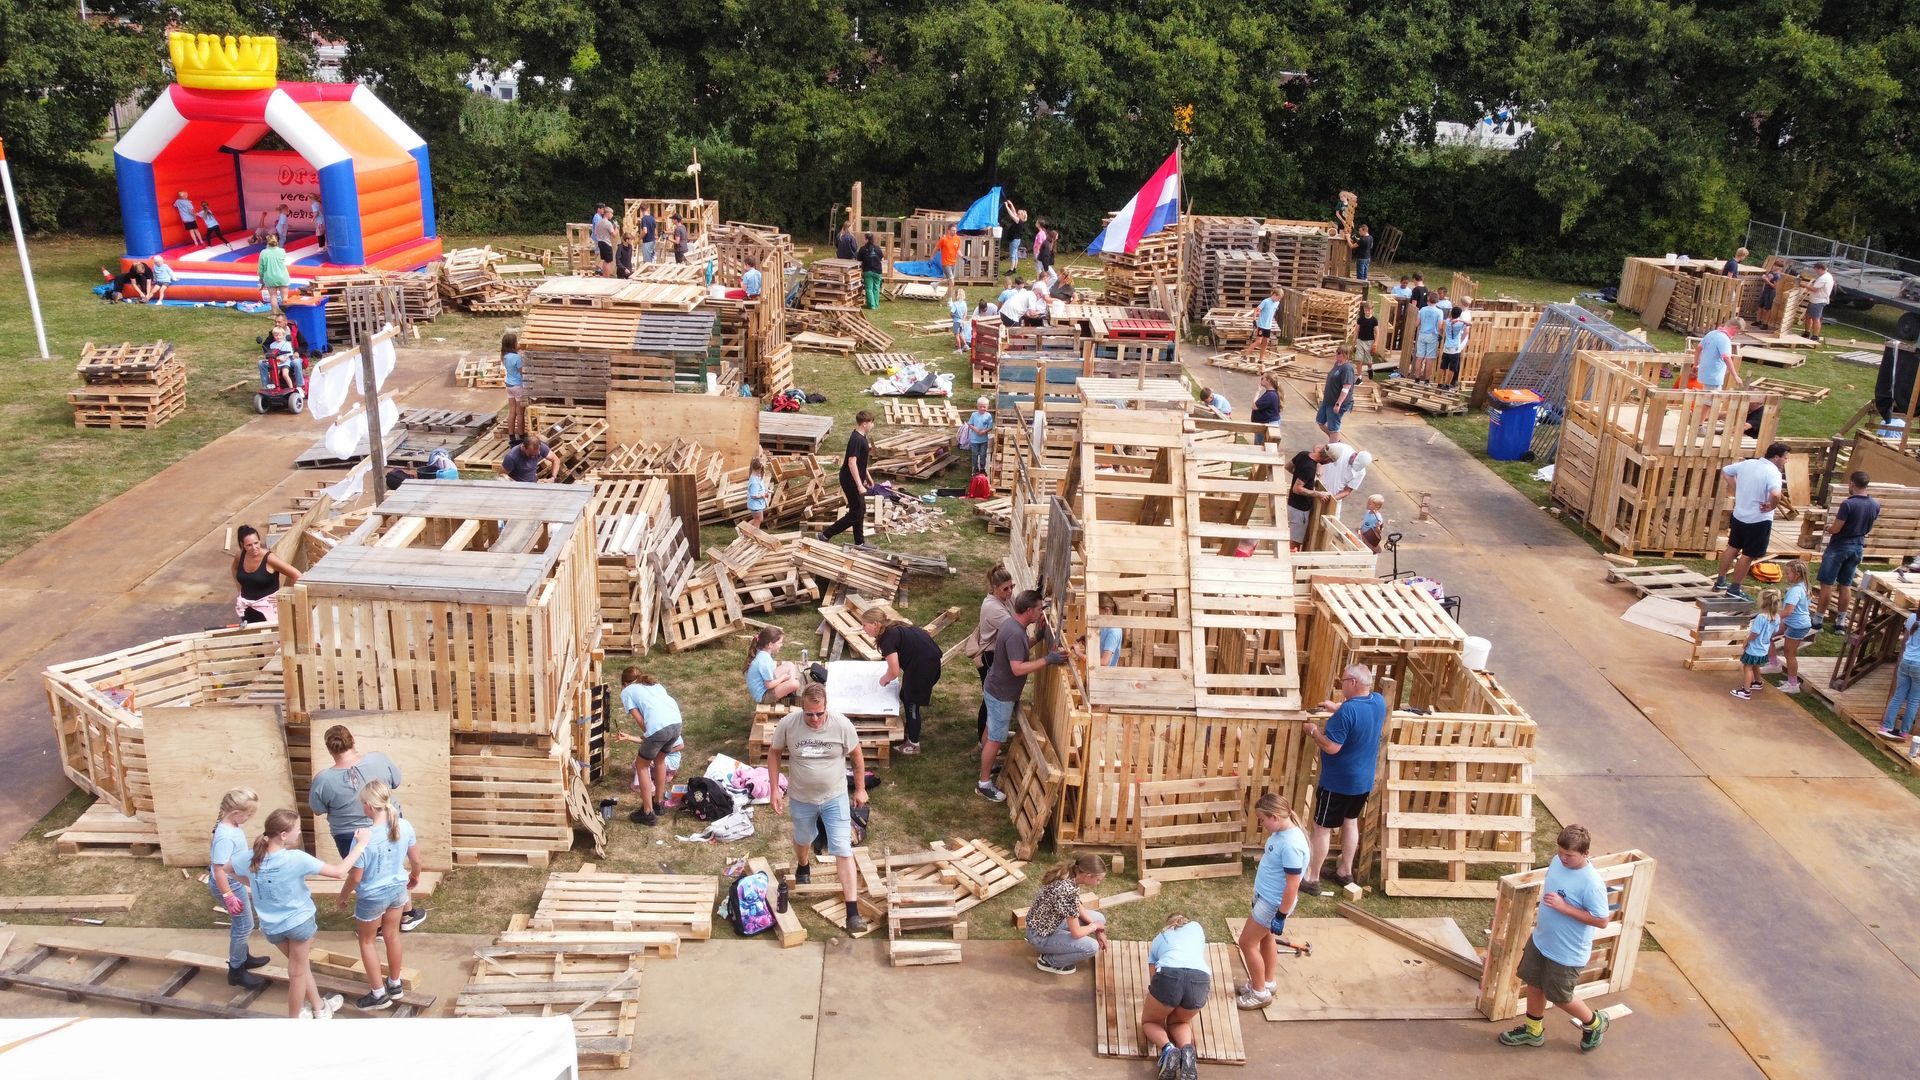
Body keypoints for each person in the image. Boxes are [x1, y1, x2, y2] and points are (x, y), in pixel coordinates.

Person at [228, 807, 369, 1018]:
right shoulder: (296, 858)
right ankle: (294, 1020)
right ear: (283, 835)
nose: (299, 833)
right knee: (296, 974)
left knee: (300, 968)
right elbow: (339, 872)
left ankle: (320, 1008)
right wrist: (361, 845)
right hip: (299, 924)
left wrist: (254, 885)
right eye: (298, 829)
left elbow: (225, 869)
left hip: (272, 928)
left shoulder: (250, 857)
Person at [1498, 825, 1614, 1052]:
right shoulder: (1557, 861)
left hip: (1566, 953)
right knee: (1533, 983)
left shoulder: (1591, 883)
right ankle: (1533, 1031)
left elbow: (1602, 921)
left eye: (1569, 855)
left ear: (1585, 854)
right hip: (1542, 940)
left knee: (1560, 997)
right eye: (1560, 852)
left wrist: (1564, 908)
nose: (1563, 858)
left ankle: (1595, 1023)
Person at [308, 724, 430, 934]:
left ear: (329, 749)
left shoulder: (323, 779)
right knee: (392, 867)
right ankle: (406, 914)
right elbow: (396, 781)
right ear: (352, 740)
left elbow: (317, 809)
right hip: (388, 825)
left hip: (350, 836)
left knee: (363, 876)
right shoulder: (379, 760)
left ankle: (380, 925)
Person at [769, 683, 869, 932]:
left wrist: (860, 788)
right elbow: (774, 754)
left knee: (842, 848)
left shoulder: (841, 725)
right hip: (802, 797)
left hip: (834, 797)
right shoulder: (789, 725)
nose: (814, 719)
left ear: (826, 708)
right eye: (809, 714)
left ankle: (852, 912)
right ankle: (803, 864)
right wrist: (773, 789)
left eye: (819, 713)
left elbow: (857, 755)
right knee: (803, 838)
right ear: (802, 708)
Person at [1301, 664, 1386, 896]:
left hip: (1338, 782)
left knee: (1322, 829)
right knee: (1350, 823)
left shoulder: (1347, 713)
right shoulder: (1378, 701)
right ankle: (1344, 871)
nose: (1341, 685)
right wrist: (1336, 707)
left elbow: (1332, 746)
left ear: (1353, 683)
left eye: (1344, 680)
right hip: (1362, 781)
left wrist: (1312, 731)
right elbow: (1359, 713)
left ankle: (1312, 878)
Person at [979, 589, 1067, 803]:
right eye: (1039, 609)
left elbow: (1018, 649)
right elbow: (1017, 668)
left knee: (991, 730)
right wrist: (1049, 659)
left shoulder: (1012, 625)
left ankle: (985, 765)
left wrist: (1037, 637)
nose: (1040, 613)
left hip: (995, 688)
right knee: (996, 738)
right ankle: (983, 784)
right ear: (1028, 610)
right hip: (1001, 694)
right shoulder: (1015, 632)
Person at [340, 780, 420, 1011]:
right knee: (392, 936)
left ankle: (378, 994)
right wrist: (414, 876)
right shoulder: (404, 825)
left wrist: (343, 896)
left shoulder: (363, 838)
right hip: (398, 891)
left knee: (366, 941)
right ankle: (395, 984)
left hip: (372, 897)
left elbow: (355, 877)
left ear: (368, 806)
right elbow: (416, 860)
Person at [1235, 792, 1307, 1011]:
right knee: (1266, 940)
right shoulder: (1281, 833)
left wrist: (1281, 915)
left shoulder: (1292, 845)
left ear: (1275, 817)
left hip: (1272, 904)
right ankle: (1267, 982)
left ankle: (1259, 994)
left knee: (1246, 943)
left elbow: (1292, 885)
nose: (1262, 824)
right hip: (1266, 898)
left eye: (1263, 820)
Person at [209, 788, 271, 989]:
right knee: (244, 925)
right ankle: (236, 970)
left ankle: (243, 957)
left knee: (246, 923)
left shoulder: (231, 826)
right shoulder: (226, 836)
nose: (250, 818)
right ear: (236, 813)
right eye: (249, 814)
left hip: (234, 882)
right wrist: (228, 895)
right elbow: (219, 869)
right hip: (228, 885)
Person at [1713, 442, 1789, 601]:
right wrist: (1771, 507)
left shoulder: (1747, 464)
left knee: (1732, 547)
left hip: (1740, 515)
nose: (1786, 461)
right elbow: (1775, 494)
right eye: (1785, 458)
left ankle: (1720, 582)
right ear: (1776, 457)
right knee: (1748, 555)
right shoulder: (1773, 472)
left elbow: (1726, 471)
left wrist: (1737, 488)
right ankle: (1734, 589)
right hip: (1758, 520)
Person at [862, 609, 942, 756]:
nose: (863, 629)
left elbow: (894, 672)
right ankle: (910, 729)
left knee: (911, 703)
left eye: (865, 625)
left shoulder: (887, 639)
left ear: (875, 624)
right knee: (905, 695)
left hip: (924, 667)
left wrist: (882, 681)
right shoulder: (894, 627)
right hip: (928, 659)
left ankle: (913, 744)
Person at [1144, 913, 1211, 1078]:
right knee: (1179, 1021)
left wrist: (1157, 998)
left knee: (1150, 1021)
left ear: (1168, 925)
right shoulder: (1197, 928)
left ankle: (1168, 1049)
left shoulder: (1159, 938)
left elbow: (1154, 979)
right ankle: (1187, 1051)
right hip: (1200, 979)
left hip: (1169, 975)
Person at [614, 668, 683, 824]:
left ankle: (647, 812)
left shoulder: (627, 691)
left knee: (642, 766)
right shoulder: (654, 684)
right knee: (660, 760)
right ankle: (658, 803)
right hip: (676, 724)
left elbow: (640, 720)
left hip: (659, 728)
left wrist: (649, 736)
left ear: (624, 683)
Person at [1815, 470, 1878, 633]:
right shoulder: (1875, 504)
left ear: (1852, 483)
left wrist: (1828, 528)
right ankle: (1840, 623)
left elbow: (1836, 528)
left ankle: (1818, 620)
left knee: (1827, 583)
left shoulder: (1848, 504)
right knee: (1846, 584)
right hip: (1857, 547)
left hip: (1839, 547)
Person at [1025, 853, 1108, 975]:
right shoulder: (1067, 890)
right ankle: (1049, 961)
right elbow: (1076, 933)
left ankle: (1057, 947)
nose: (1099, 883)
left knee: (1099, 918)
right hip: (1040, 937)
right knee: (1091, 947)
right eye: (1098, 880)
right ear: (1088, 876)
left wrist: (1098, 929)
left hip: (1050, 924)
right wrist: (1094, 927)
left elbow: (1076, 904)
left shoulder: (1070, 875)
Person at [966, 566, 1016, 745]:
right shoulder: (992, 608)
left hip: (999, 655)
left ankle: (997, 730)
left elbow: (1017, 610)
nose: (1010, 591)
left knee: (1003, 698)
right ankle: (983, 739)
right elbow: (1015, 628)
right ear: (994, 588)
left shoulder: (1004, 599)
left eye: (1012, 587)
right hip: (991, 658)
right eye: (1006, 588)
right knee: (990, 701)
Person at [819, 410, 876, 547]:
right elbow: (851, 462)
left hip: (855, 480)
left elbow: (860, 462)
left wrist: (867, 476)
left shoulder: (862, 437)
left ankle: (859, 542)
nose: (873, 425)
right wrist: (859, 485)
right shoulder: (856, 439)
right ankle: (825, 535)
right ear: (864, 424)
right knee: (855, 513)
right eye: (871, 423)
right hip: (850, 481)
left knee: (860, 510)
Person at [232, 524, 300, 624]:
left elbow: (297, 575)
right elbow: (234, 569)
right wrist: (240, 591)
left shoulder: (270, 559)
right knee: (253, 637)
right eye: (249, 545)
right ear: (242, 545)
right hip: (247, 610)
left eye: (256, 543)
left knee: (274, 638)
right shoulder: (240, 556)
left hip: (269, 610)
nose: (254, 547)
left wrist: (284, 594)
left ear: (260, 541)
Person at [1879, 611, 1920, 757]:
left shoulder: (1912, 618)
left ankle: (1886, 727)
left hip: (1906, 661)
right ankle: (1904, 732)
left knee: (1898, 695)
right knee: (1914, 700)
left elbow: (1905, 640)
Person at [1730, 587, 1782, 700]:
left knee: (1747, 667)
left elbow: (1755, 633)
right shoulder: (1777, 617)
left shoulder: (1761, 617)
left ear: (1763, 602)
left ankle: (1746, 691)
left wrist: (1746, 640)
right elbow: (1775, 631)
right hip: (1764, 648)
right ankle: (1758, 682)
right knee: (1756, 665)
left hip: (1754, 647)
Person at [1772, 560, 1813, 694]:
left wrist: (1772, 617)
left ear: (1797, 574)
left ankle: (1793, 684)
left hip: (1797, 625)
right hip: (1794, 622)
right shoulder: (1804, 586)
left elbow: (1788, 611)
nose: (1786, 576)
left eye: (1788, 573)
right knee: (1770, 636)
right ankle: (1773, 664)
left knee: (1789, 654)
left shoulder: (1795, 591)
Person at [745, 626, 805, 706]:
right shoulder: (764, 661)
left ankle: (787, 691)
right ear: (770, 644)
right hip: (763, 696)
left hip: (765, 685)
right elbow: (769, 685)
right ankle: (787, 691)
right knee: (795, 683)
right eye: (780, 643)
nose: (781, 645)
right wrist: (782, 678)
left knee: (790, 665)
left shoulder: (762, 653)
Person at [1288, 444, 1333, 549]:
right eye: (1330, 461)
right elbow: (1297, 488)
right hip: (1300, 510)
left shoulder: (1303, 454)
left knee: (1292, 537)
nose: (1328, 463)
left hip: (1291, 503)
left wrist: (1302, 477)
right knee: (1295, 543)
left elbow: (1288, 466)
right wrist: (1318, 493)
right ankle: (1288, 563)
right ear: (1326, 457)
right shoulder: (1310, 468)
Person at [1691, 316, 1744, 391]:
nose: (1736, 334)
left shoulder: (1711, 333)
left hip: (1704, 373)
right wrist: (1735, 376)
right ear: (1734, 327)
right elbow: (1726, 358)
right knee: (1712, 400)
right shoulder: (1724, 339)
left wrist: (1695, 364)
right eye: (1737, 332)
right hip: (1714, 376)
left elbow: (1699, 348)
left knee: (1705, 396)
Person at [1323, 446, 1372, 520]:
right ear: (1355, 454)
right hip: (1320, 486)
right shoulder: (1343, 449)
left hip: (1334, 498)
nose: (1352, 465)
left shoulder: (1361, 472)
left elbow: (1347, 491)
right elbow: (1320, 451)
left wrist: (1331, 498)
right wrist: (1318, 472)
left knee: (1333, 521)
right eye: (1353, 462)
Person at [1319, 347, 1358, 438]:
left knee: (1333, 428)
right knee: (1320, 422)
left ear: (1346, 355)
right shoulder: (1337, 364)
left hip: (1336, 403)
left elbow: (1346, 388)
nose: (1336, 354)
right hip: (1328, 400)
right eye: (1336, 352)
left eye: (1339, 353)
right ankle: (1336, 442)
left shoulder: (1347, 368)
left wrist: (1338, 404)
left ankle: (1334, 445)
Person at [501, 328, 527, 438]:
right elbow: (522, 373)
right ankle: (521, 436)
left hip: (508, 385)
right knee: (520, 412)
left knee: (512, 412)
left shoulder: (504, 355)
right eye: (516, 342)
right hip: (517, 386)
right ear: (513, 344)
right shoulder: (517, 358)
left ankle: (511, 436)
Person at [1412, 297, 1444, 383]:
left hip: (1422, 334)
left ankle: (1417, 378)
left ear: (1428, 301)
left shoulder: (1422, 310)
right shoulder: (1439, 312)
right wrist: (1440, 334)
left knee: (1420, 357)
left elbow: (1417, 324)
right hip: (1432, 335)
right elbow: (1440, 326)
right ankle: (1427, 380)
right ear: (1437, 302)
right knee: (1429, 358)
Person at [1439, 300, 1470, 390]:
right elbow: (1469, 324)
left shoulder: (1447, 322)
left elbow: (1442, 326)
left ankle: (1439, 383)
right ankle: (1447, 384)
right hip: (1455, 348)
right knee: (1452, 368)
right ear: (1459, 315)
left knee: (1443, 366)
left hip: (1446, 347)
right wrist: (1460, 320)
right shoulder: (1459, 324)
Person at [259, 325, 301, 390]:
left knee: (285, 374)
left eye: (280, 335)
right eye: (276, 335)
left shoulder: (287, 344)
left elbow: (290, 354)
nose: (278, 337)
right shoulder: (272, 345)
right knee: (273, 376)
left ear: (283, 335)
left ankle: (291, 388)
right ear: (273, 336)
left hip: (285, 363)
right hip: (275, 363)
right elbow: (271, 354)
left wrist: (284, 358)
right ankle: (271, 388)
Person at [257, 234, 292, 311]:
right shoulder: (282, 251)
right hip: (282, 276)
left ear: (267, 242)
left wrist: (261, 278)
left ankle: (275, 314)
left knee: (273, 296)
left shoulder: (263, 252)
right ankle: (286, 313)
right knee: (285, 297)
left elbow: (261, 267)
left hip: (270, 277)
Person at [1251, 373, 1283, 446]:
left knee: (1261, 447)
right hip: (1267, 423)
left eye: (1262, 378)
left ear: (1268, 380)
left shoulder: (1270, 395)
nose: (1260, 380)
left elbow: (1254, 406)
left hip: (1267, 425)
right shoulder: (1271, 393)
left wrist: (1257, 391)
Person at [1805, 262, 1834, 342]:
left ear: (1821, 269)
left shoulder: (1823, 278)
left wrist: (1804, 285)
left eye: (1816, 270)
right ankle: (1807, 333)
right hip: (1816, 300)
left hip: (1818, 301)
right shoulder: (1827, 276)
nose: (1816, 272)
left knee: (1815, 318)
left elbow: (1815, 289)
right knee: (1808, 316)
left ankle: (1815, 336)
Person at [966, 397, 995, 476]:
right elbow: (970, 424)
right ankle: (975, 468)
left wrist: (984, 431)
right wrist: (975, 429)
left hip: (983, 440)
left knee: (983, 455)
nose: (982, 408)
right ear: (977, 406)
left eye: (984, 407)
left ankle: (982, 469)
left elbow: (990, 427)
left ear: (988, 407)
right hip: (974, 440)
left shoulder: (988, 416)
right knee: (975, 454)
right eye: (980, 407)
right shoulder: (974, 415)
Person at [858, 233, 885, 309]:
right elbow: (882, 258)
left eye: (864, 238)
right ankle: (876, 304)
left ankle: (871, 305)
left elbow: (859, 259)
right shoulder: (878, 248)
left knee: (869, 288)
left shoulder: (862, 249)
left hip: (867, 271)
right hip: (877, 271)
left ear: (866, 239)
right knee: (876, 288)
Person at [1254, 287, 1282, 360]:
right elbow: (1256, 310)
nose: (1279, 300)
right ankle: (1245, 355)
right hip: (1261, 325)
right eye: (1278, 298)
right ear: (1274, 295)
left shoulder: (1277, 303)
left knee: (1266, 342)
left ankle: (1261, 359)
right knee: (1258, 342)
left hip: (1268, 326)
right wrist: (1254, 320)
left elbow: (1273, 312)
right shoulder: (1265, 301)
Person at [1096, 594, 1124, 666]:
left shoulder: (1114, 631)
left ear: (1107, 610)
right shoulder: (1104, 625)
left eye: (1097, 612)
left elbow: (1104, 662)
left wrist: (1080, 654)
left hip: (1104, 676)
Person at [745, 458, 772, 527]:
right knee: (758, 520)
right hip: (755, 505)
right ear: (759, 469)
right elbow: (754, 495)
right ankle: (755, 533)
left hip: (756, 504)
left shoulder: (755, 476)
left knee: (758, 519)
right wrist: (764, 495)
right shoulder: (754, 482)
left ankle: (743, 529)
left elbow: (759, 489)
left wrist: (765, 490)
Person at [591, 204, 615, 275]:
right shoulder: (608, 223)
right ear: (607, 213)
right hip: (606, 243)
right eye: (611, 213)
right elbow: (614, 235)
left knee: (604, 260)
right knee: (608, 261)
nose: (612, 215)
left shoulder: (600, 222)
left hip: (600, 242)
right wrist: (615, 228)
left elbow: (596, 232)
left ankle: (604, 276)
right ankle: (607, 276)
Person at [1003, 200, 1029, 270]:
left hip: (1014, 240)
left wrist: (1006, 206)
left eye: (1018, 214)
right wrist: (1011, 204)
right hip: (1016, 240)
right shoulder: (1022, 220)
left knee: (1012, 255)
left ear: (1021, 216)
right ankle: (1014, 268)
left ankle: (1011, 269)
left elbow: (1011, 214)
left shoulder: (1018, 221)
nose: (1017, 214)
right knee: (1015, 255)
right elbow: (1014, 212)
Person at [1355, 300, 1379, 367]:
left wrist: (1375, 343)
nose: (1367, 312)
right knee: (1358, 359)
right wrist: (1354, 341)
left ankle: (1370, 368)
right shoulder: (1360, 319)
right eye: (1365, 310)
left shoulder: (1374, 320)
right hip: (1360, 340)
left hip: (1369, 341)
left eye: (1368, 310)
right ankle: (1359, 376)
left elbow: (1377, 333)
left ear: (1372, 309)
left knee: (1368, 361)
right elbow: (1356, 331)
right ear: (1363, 310)